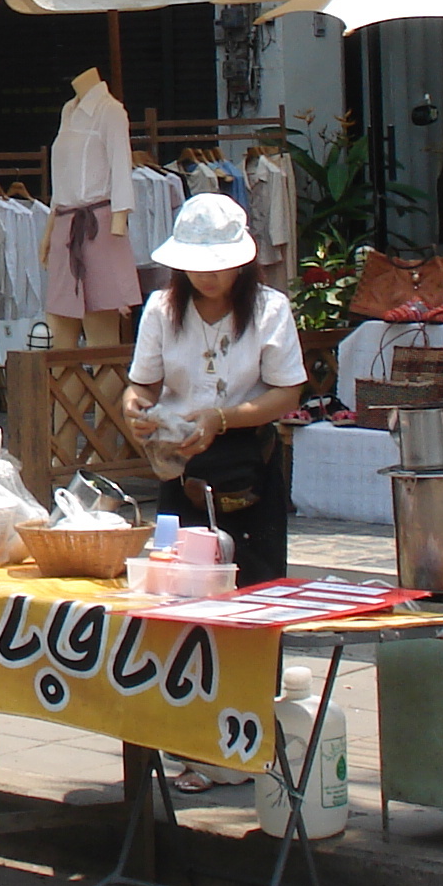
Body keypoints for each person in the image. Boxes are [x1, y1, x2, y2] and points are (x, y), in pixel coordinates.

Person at [119, 194, 308, 589]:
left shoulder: (269, 309)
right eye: (196, 267)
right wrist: (134, 405)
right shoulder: (161, 308)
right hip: (180, 459)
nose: (207, 277)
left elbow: (287, 393)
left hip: (249, 456)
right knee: (180, 584)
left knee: (256, 588)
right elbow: (143, 383)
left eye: (218, 267)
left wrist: (221, 418)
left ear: (241, 263)